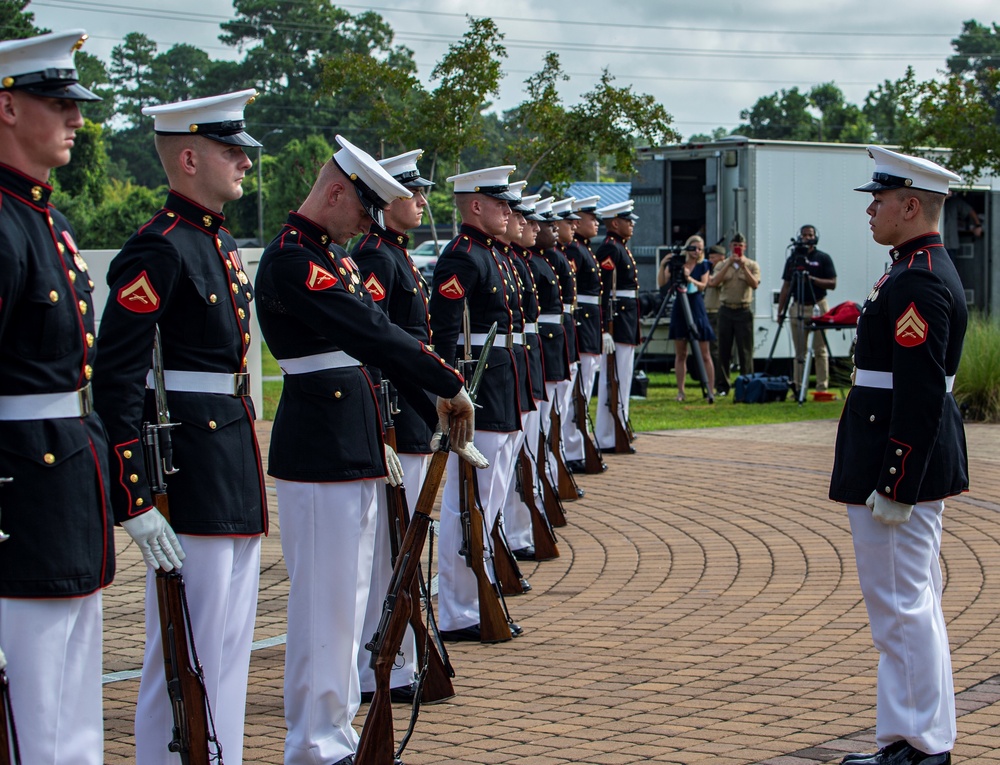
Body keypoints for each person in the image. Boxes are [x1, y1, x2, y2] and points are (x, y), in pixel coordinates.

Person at [254, 135, 478, 765]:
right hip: (320, 444)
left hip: (350, 439)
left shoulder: (332, 255)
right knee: (326, 603)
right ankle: (315, 742)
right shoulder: (294, 261)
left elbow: (375, 345)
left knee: (348, 599)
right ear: (334, 192)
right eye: (363, 209)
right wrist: (446, 382)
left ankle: (333, 732)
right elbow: (371, 331)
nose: (368, 225)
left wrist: (431, 396)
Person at [94, 89, 267, 765]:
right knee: (182, 652)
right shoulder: (158, 250)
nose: (245, 163)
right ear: (189, 157)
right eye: (232, 151)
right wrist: (134, 495)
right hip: (187, 469)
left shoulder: (215, 243)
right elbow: (116, 380)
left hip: (229, 463)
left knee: (226, 649)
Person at [830, 146, 967, 765]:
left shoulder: (917, 277)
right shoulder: (918, 266)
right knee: (912, 604)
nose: (871, 209)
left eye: (880, 200)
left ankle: (917, 745)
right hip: (894, 450)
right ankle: (916, 738)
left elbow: (917, 393)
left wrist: (896, 480)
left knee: (901, 608)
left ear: (911, 205)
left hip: (894, 455)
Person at [0, 29, 114, 765]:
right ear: (7, 108)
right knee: (35, 705)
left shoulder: (49, 220)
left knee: (73, 709)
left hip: (68, 480)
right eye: (56, 102)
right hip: (19, 494)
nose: (75, 118)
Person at [350, 148, 438, 704]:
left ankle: (399, 656)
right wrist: (384, 421)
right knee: (389, 548)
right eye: (411, 193)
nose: (421, 201)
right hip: (396, 411)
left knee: (401, 543)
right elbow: (376, 346)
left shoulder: (395, 254)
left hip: (414, 405)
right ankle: (380, 661)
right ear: (386, 202)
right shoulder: (375, 256)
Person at [429, 165, 524, 643]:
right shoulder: (464, 256)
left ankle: (476, 595)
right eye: (499, 202)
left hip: (503, 383)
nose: (508, 210)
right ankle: (459, 608)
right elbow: (443, 331)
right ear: (475, 205)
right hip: (480, 387)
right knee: (466, 504)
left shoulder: (492, 253)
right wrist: (450, 388)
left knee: (490, 501)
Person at [594, 199, 641, 449]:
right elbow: (604, 293)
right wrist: (604, 328)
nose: (631, 224)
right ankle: (607, 436)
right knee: (613, 380)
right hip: (618, 321)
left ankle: (618, 429)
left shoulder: (620, 247)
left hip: (626, 320)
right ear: (614, 223)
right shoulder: (611, 249)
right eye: (627, 220)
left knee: (622, 378)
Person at [564, 195, 602, 471]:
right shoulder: (575, 251)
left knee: (584, 391)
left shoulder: (584, 249)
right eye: (591, 217)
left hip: (589, 323)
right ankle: (573, 448)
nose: (593, 222)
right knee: (578, 393)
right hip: (581, 323)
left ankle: (576, 444)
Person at [777, 224, 837, 391]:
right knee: (800, 353)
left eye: (810, 235)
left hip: (818, 304)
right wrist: (780, 310)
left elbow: (833, 283)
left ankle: (821, 388)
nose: (807, 238)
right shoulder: (793, 259)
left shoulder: (823, 258)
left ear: (815, 236)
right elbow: (786, 286)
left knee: (820, 350)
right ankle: (798, 388)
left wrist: (812, 279)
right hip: (798, 306)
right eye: (804, 235)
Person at [709, 232, 760, 395]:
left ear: (745, 248)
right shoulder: (722, 264)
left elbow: (754, 284)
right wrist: (729, 264)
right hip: (725, 310)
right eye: (735, 246)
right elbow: (714, 282)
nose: (737, 249)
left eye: (740, 246)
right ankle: (723, 386)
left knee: (745, 351)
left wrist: (743, 266)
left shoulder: (752, 265)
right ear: (730, 247)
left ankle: (746, 384)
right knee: (723, 349)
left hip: (743, 310)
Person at [665, 235, 715, 401]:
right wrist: (663, 265)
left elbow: (703, 286)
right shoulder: (678, 263)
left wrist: (689, 278)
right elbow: (663, 282)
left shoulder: (704, 265)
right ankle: (681, 391)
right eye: (694, 248)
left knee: (704, 353)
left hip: (695, 305)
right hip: (680, 305)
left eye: (700, 248)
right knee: (681, 353)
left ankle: (710, 389)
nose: (697, 252)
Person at [703, 243, 726, 394]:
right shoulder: (711, 269)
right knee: (710, 350)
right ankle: (713, 381)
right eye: (709, 257)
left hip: (716, 311)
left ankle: (719, 382)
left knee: (716, 350)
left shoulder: (723, 268)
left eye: (713, 257)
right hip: (707, 311)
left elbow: (713, 282)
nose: (710, 260)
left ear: (722, 257)